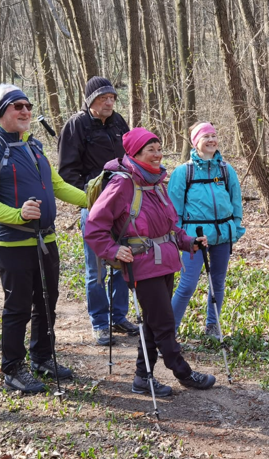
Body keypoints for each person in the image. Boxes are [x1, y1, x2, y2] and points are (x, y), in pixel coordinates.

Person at [0, 84, 88, 393]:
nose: (25, 111)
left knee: (47, 302)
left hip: (45, 240)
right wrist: (18, 214)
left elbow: (58, 185)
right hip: (12, 243)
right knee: (18, 306)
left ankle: (41, 356)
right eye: (17, 106)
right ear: (1, 113)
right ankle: (12, 367)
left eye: (27, 105)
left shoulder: (33, 145)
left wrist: (95, 200)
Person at [84, 128, 217, 396]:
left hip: (166, 262)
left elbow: (169, 227)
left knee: (153, 323)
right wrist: (112, 250)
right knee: (164, 323)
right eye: (150, 150)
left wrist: (188, 241)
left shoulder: (155, 183)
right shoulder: (122, 184)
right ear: (135, 154)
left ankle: (142, 377)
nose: (157, 155)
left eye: (159, 149)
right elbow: (93, 227)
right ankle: (182, 371)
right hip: (142, 265)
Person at [58, 76, 134, 346]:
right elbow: (66, 173)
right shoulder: (76, 126)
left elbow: (129, 159)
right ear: (90, 101)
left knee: (124, 259)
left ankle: (118, 315)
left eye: (112, 97)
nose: (109, 101)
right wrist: (91, 197)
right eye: (103, 98)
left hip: (123, 204)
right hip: (94, 207)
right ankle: (100, 322)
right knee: (97, 269)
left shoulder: (118, 122)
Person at [169, 122, 245, 337]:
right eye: (206, 136)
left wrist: (236, 227)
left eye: (214, 135)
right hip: (195, 237)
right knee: (187, 285)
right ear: (196, 142)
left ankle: (212, 326)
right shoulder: (184, 172)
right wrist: (179, 236)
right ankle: (169, 329)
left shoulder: (226, 170)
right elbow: (174, 210)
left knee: (218, 283)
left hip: (223, 235)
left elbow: (236, 201)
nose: (211, 140)